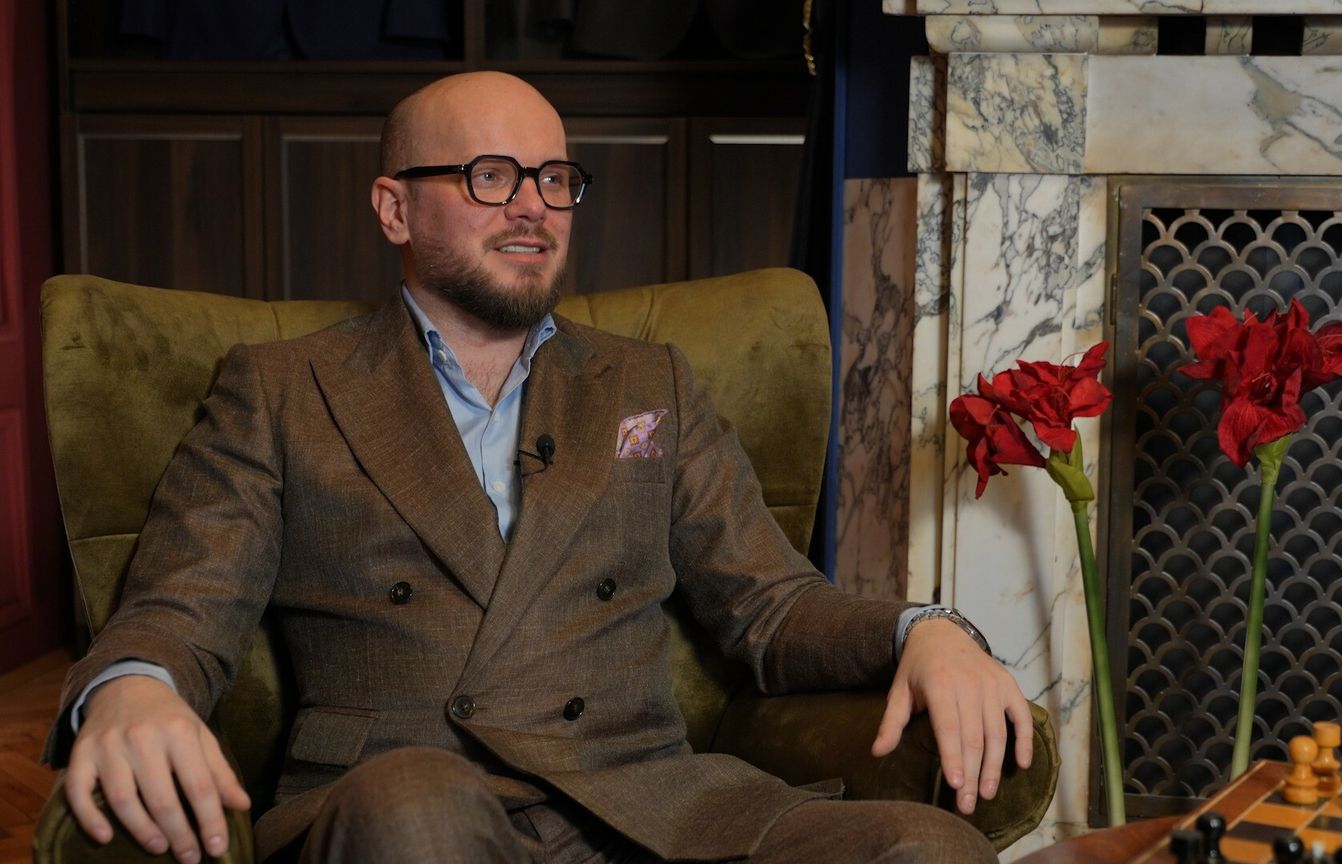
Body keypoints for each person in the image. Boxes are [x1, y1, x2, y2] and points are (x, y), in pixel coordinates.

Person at [46, 71, 1035, 864]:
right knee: (418, 805)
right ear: (394, 208)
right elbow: (182, 605)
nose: (533, 206)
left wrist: (926, 630)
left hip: (648, 802)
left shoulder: (648, 382)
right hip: (409, 795)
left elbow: (771, 606)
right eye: (491, 175)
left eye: (555, 179)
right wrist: (133, 686)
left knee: (926, 847)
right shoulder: (280, 389)